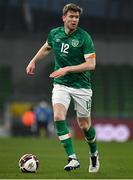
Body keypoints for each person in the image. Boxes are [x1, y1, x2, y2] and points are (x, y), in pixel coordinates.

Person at [26, 3, 100, 173]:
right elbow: (46, 47)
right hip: (61, 84)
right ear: (64, 18)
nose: (74, 20)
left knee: (84, 125)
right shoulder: (55, 33)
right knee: (58, 116)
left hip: (82, 86)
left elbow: (91, 64)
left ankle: (94, 153)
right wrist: (33, 61)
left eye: (77, 17)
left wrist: (66, 69)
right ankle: (72, 158)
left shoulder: (84, 37)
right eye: (71, 17)